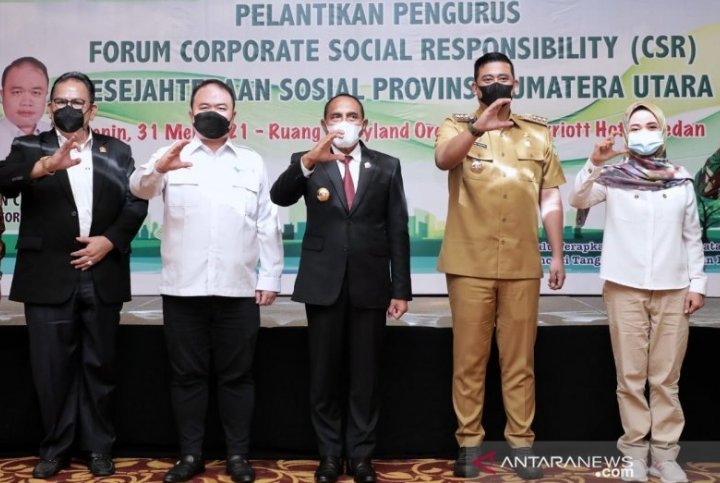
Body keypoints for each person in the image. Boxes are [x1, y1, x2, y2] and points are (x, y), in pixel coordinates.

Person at [129, 79, 283, 483]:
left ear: (234, 116)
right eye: (204, 107)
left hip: (238, 289)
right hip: (183, 290)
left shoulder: (251, 161)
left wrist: (270, 276)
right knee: (186, 377)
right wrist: (158, 169)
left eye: (221, 107)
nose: (213, 113)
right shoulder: (170, 155)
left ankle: (238, 456)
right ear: (191, 114)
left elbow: (267, 222)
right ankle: (190, 455)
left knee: (238, 377)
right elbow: (139, 189)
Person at [0, 71, 148, 478]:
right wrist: (46, 165)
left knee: (100, 366)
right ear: (50, 108)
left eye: (77, 103)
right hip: (47, 276)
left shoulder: (117, 150)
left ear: (92, 110)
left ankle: (99, 447)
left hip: (102, 271)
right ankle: (56, 448)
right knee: (51, 370)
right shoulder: (29, 146)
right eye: (61, 102)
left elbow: (136, 202)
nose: (68, 108)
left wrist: (109, 241)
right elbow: (4, 179)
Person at [434, 52, 566, 480]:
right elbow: (444, 160)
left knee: (519, 362)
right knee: (469, 360)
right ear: (475, 88)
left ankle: (521, 444)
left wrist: (557, 253)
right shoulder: (457, 126)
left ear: (516, 84)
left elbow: (550, 196)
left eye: (503, 77)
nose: (496, 83)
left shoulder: (538, 134)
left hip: (522, 262)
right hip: (469, 262)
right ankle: (469, 444)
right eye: (487, 78)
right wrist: (477, 128)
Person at [270, 93, 411, 483]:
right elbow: (279, 196)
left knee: (366, 376)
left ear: (364, 124)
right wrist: (308, 161)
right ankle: (330, 456)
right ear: (324, 124)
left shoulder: (386, 165)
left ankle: (361, 456)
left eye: (351, 116)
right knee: (324, 375)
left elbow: (397, 228)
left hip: (371, 283)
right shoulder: (309, 160)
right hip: (323, 282)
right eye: (336, 116)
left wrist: (400, 288)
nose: (344, 122)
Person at [569, 101, 705, 483]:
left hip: (674, 288)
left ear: (662, 131)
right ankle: (633, 454)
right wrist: (594, 162)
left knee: (665, 379)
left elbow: (692, 236)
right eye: (635, 127)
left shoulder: (681, 179)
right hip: (623, 287)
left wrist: (698, 284)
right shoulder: (612, 177)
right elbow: (578, 199)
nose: (643, 133)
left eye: (650, 126)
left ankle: (664, 455)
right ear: (625, 136)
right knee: (630, 377)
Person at [0, 57, 51, 282]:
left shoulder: (58, 139)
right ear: (2, 95)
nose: (27, 101)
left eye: (36, 92)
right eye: (17, 92)